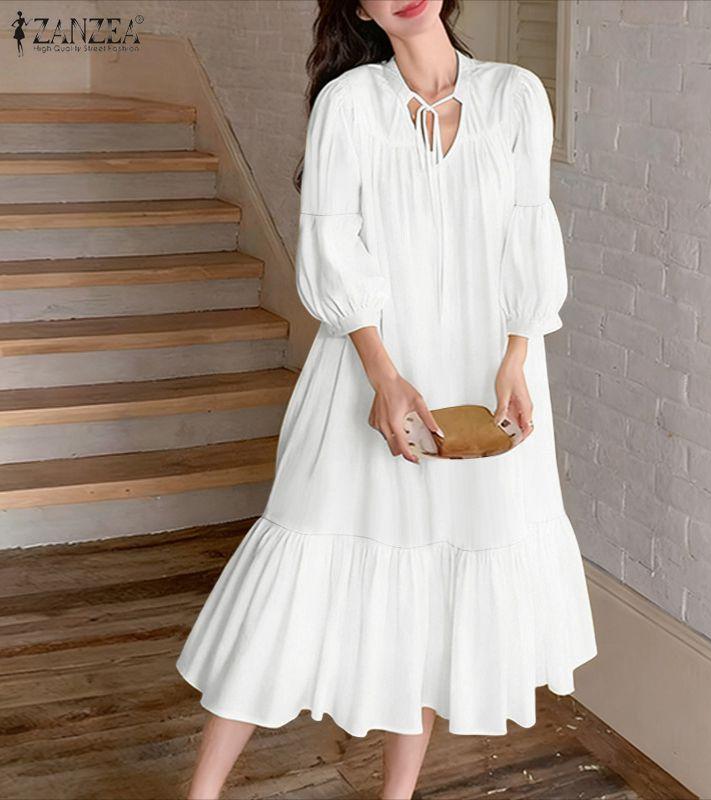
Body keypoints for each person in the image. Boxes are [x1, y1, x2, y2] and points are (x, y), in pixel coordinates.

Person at [176, 1, 598, 798]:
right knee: (295, 573)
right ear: (359, 6)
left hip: (482, 374)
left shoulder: (515, 95)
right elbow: (332, 244)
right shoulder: (349, 104)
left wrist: (517, 356)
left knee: (437, 583)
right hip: (367, 374)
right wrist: (384, 377)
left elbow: (530, 235)